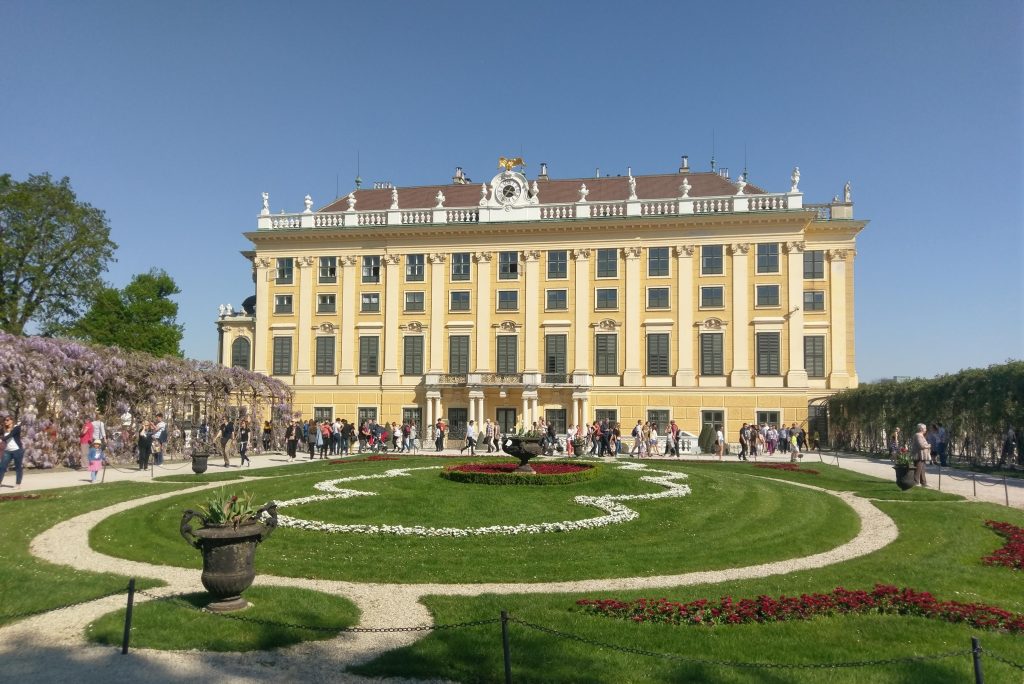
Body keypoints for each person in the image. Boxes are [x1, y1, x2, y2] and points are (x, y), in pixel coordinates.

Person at [1, 415, 25, 490]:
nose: (6, 421)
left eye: (7, 420)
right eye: (5, 420)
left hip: (17, 450)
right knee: (2, 467)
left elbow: (10, 435)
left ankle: (18, 484)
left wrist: (2, 439)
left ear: (12, 420)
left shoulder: (16, 428)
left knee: (18, 467)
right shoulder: (3, 429)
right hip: (8, 451)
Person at [911, 423, 931, 487]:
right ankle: (916, 482)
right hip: (919, 455)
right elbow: (921, 445)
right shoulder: (918, 435)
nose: (926, 429)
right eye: (925, 428)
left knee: (922, 469)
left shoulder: (921, 435)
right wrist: (928, 446)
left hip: (923, 455)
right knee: (918, 469)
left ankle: (923, 482)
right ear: (921, 429)